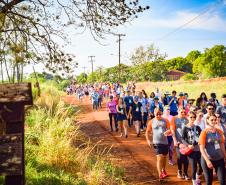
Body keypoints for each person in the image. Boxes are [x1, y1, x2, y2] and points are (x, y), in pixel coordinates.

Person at [199, 114, 226, 185]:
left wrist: (225, 157)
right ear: (207, 121)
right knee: (209, 181)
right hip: (208, 160)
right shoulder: (204, 132)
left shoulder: (219, 131)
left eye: (215, 119)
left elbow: (222, 145)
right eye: (211, 120)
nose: (214, 121)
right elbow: (202, 149)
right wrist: (207, 161)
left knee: (223, 181)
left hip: (219, 159)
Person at [146, 108, 171, 180]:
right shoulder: (151, 122)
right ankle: (160, 175)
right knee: (159, 158)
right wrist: (148, 140)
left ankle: (163, 170)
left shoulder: (165, 120)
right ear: (154, 113)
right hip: (156, 142)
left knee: (164, 157)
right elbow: (147, 132)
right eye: (157, 114)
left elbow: (170, 129)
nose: (159, 115)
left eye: (160, 114)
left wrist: (168, 131)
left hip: (165, 142)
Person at [182, 111, 202, 185]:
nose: (192, 118)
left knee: (201, 166)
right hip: (191, 151)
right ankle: (194, 182)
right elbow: (182, 139)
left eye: (194, 117)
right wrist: (188, 145)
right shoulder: (185, 128)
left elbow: (201, 137)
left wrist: (196, 143)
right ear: (188, 117)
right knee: (194, 167)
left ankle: (197, 177)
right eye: (191, 117)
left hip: (198, 149)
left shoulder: (197, 127)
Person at [171, 107, 190, 180]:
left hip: (186, 142)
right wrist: (175, 140)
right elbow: (172, 130)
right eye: (181, 112)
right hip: (178, 141)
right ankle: (179, 171)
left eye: (184, 112)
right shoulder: (174, 118)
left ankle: (185, 173)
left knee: (186, 157)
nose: (183, 113)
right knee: (180, 156)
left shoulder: (187, 119)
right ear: (178, 111)